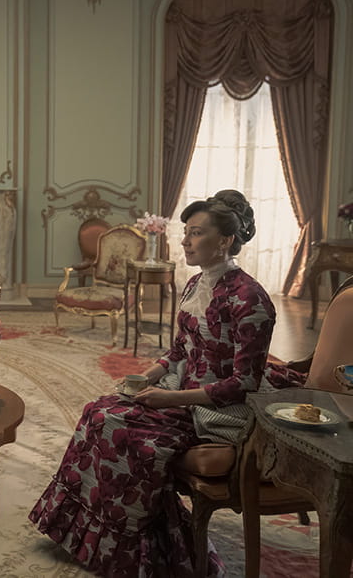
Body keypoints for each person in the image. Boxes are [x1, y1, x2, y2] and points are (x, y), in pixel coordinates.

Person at [28, 189, 303, 577]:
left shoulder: (250, 299)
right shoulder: (194, 286)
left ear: (225, 241)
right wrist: (148, 377)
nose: (185, 241)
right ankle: (85, 537)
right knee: (98, 410)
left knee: (119, 428)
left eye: (196, 233)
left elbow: (243, 383)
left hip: (216, 410)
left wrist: (170, 398)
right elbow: (179, 351)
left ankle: (142, 551)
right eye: (186, 232)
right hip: (181, 393)